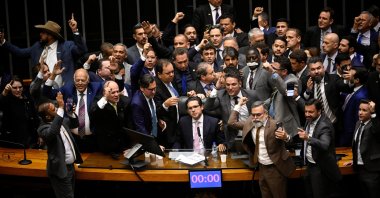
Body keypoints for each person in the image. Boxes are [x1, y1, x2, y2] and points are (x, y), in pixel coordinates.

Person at [229, 100, 295, 198]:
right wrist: (238, 105)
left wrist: (286, 137)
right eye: (253, 115)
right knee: (265, 195)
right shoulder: (250, 122)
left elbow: (290, 142)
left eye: (258, 115)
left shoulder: (275, 125)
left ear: (266, 114)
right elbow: (231, 123)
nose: (255, 118)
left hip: (275, 167)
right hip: (261, 167)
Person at [0, 15, 88, 86]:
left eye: (43, 32)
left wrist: (75, 30)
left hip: (63, 90)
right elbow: (20, 52)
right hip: (42, 92)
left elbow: (82, 50)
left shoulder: (67, 46)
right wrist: (3, 42)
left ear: (51, 35)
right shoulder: (37, 47)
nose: (40, 34)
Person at [43, 68, 103, 152]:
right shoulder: (68, 89)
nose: (80, 83)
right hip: (73, 138)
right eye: (77, 80)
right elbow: (47, 93)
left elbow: (113, 87)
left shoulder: (96, 88)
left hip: (93, 138)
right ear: (74, 81)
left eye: (83, 80)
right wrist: (53, 75)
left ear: (88, 80)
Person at [37, 92, 82, 198]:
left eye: (56, 107)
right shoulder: (43, 129)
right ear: (47, 116)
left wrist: (70, 112)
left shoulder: (60, 122)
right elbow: (53, 132)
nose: (57, 110)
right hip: (60, 170)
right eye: (54, 109)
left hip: (71, 167)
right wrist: (61, 107)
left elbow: (74, 124)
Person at [297, 99, 342, 198]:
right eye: (306, 111)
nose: (307, 114)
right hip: (310, 165)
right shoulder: (310, 119)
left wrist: (308, 138)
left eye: (311, 112)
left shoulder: (324, 126)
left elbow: (324, 145)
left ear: (319, 111)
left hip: (321, 169)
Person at [344, 100, 380, 198]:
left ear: (370, 112)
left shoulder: (374, 124)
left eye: (364, 110)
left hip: (372, 171)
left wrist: (373, 113)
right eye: (359, 109)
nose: (360, 112)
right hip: (359, 169)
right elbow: (358, 144)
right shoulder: (358, 123)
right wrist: (354, 159)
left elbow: (377, 131)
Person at [91, 80, 130, 155]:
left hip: (122, 147)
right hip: (105, 148)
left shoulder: (124, 101)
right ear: (104, 93)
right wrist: (105, 98)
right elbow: (93, 114)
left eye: (117, 91)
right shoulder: (99, 102)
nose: (116, 95)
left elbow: (128, 125)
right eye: (112, 92)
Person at [0, 77, 39, 148]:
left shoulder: (27, 98)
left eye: (20, 87)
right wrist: (4, 92)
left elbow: (35, 116)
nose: (18, 90)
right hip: (13, 140)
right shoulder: (7, 99)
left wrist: (39, 135)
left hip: (30, 138)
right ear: (10, 88)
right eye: (14, 88)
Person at [154, 59, 180, 148]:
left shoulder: (172, 79)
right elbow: (155, 111)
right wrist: (165, 105)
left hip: (178, 127)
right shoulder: (155, 88)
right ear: (159, 75)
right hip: (167, 132)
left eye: (172, 71)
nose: (171, 74)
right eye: (168, 73)